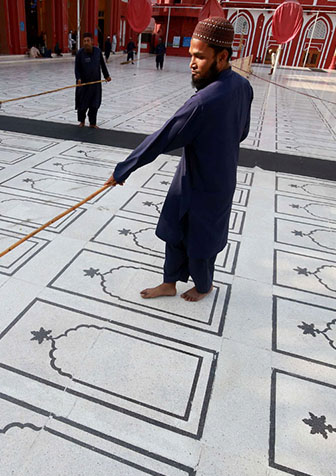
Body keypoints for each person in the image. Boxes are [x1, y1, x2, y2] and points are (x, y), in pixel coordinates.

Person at [104, 17, 253, 302]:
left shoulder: (203, 103)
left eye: (200, 56)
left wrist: (124, 169)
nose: (192, 63)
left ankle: (203, 285)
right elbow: (242, 132)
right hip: (203, 177)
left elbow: (163, 138)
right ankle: (169, 283)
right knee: (175, 228)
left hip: (208, 184)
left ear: (222, 57)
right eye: (191, 56)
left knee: (201, 241)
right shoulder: (242, 86)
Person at [75, 32, 111, 128]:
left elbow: (102, 65)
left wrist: (106, 76)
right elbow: (77, 68)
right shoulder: (80, 53)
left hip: (95, 84)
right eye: (84, 41)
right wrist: (78, 78)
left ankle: (92, 123)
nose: (86, 43)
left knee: (94, 104)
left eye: (88, 41)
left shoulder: (98, 52)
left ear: (92, 42)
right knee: (82, 104)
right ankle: (82, 121)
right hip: (83, 84)